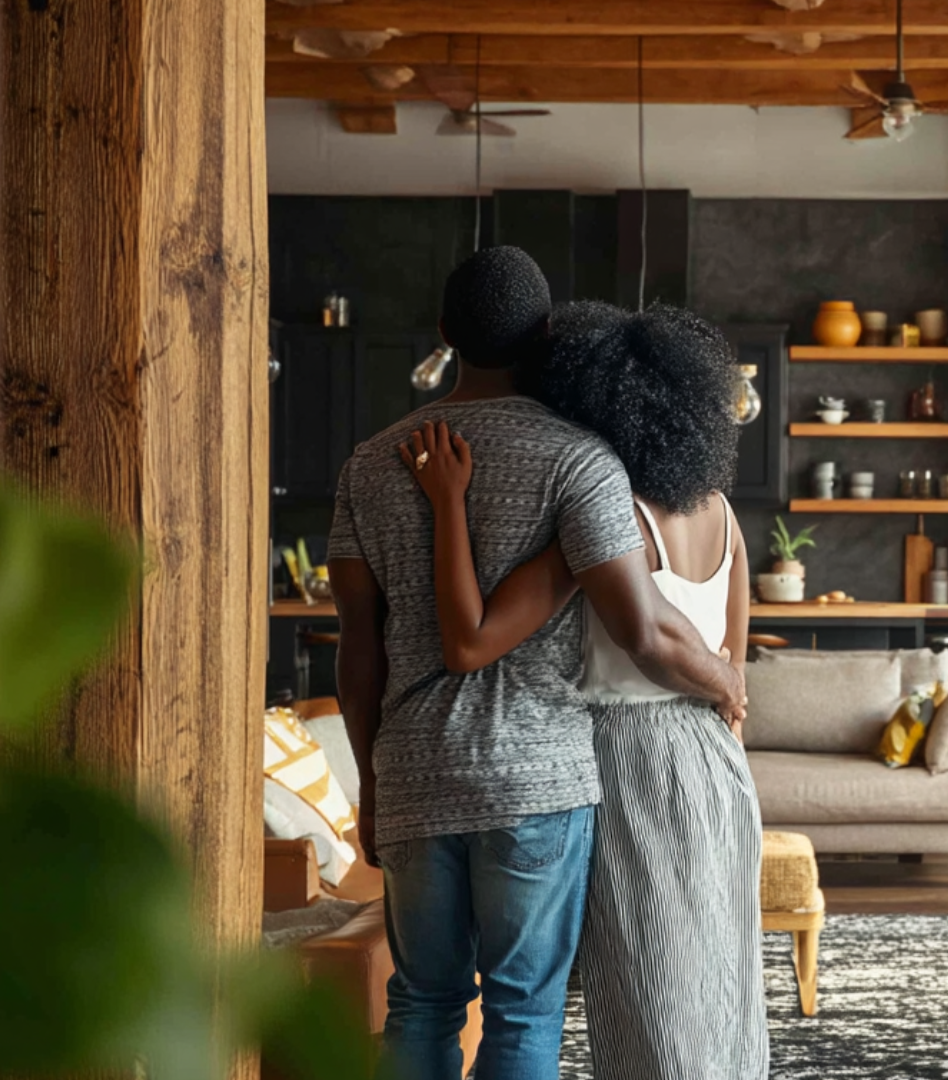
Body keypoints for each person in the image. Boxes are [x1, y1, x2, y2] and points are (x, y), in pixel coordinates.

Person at [328, 249, 745, 1080]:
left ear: (444, 334)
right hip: (539, 779)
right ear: (549, 332)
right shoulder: (584, 463)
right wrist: (728, 681)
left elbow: (358, 648)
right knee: (524, 1012)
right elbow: (643, 624)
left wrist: (371, 787)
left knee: (421, 1003)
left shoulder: (370, 464)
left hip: (413, 774)